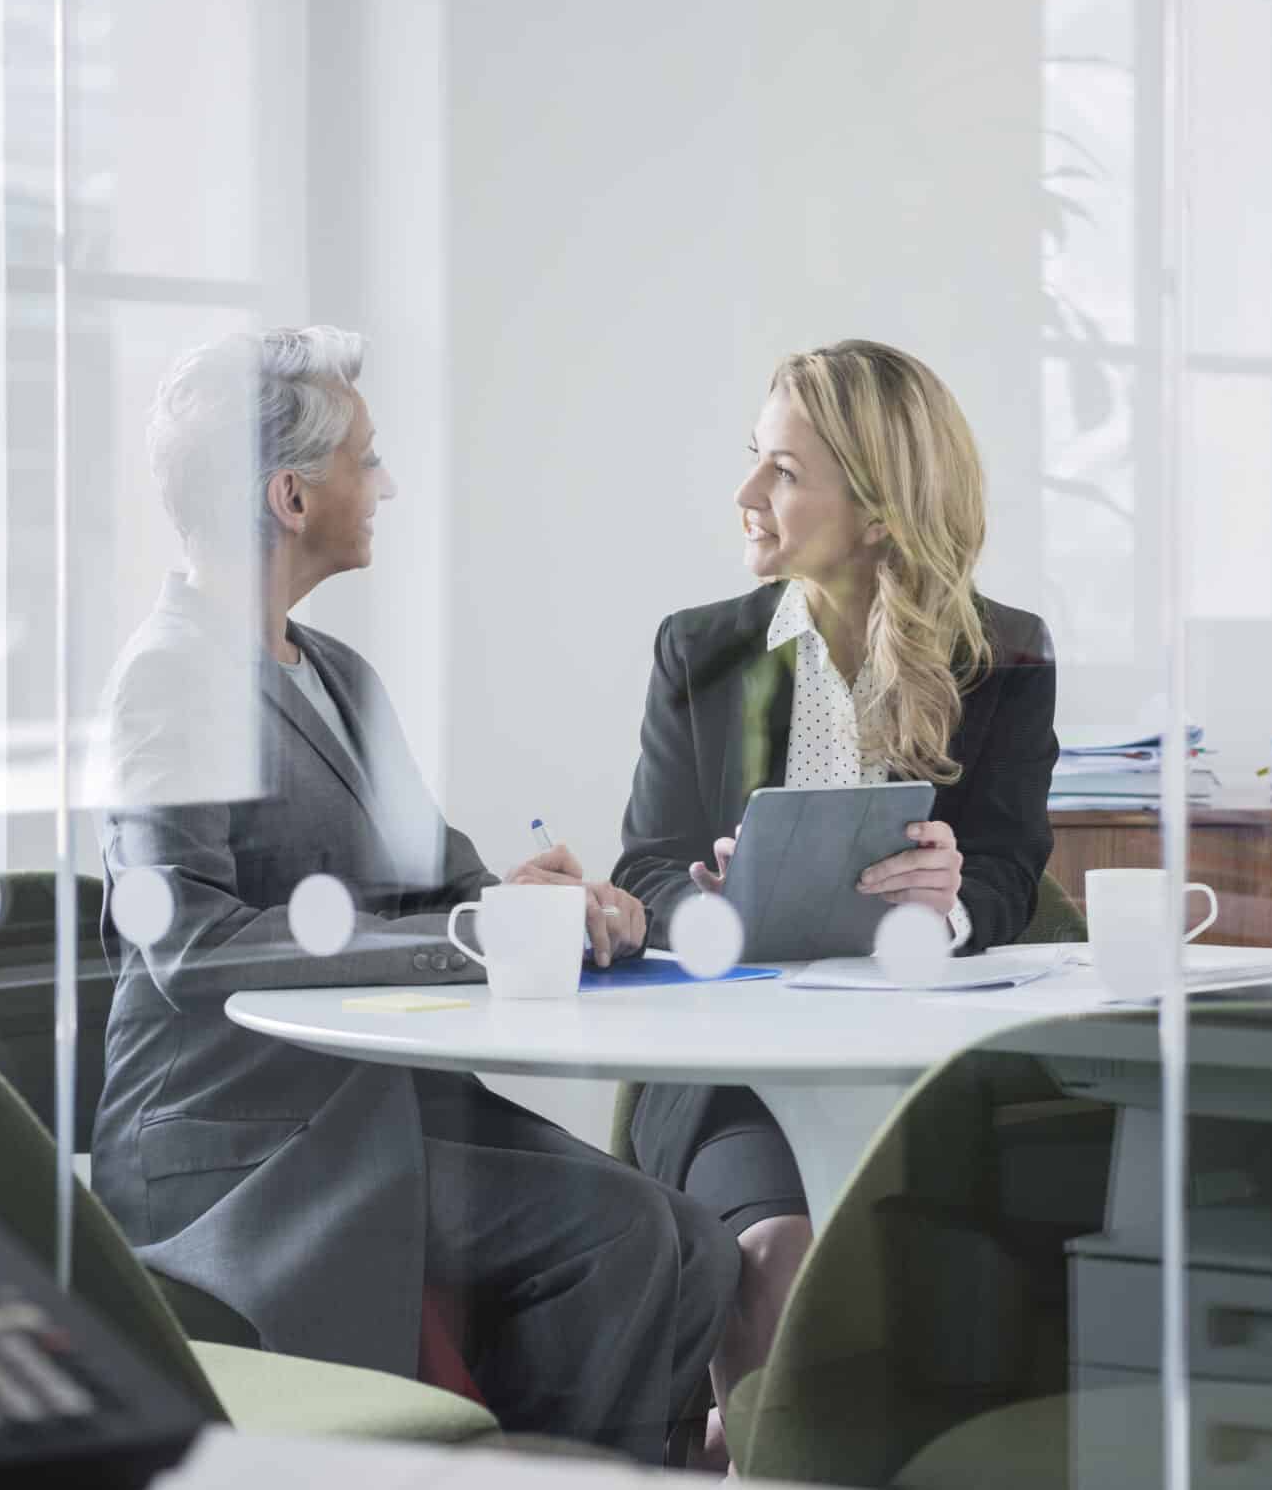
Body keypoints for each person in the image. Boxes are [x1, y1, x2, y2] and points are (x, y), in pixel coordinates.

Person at [91, 328, 736, 1464]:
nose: (382, 484)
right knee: (624, 1234)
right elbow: (185, 943)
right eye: (364, 460)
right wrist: (465, 934)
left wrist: (544, 906)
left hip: (370, 1108)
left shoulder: (339, 675)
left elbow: (443, 884)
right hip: (245, 1135)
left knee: (696, 1237)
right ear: (290, 496)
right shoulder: (169, 675)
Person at [613, 339, 1058, 1456]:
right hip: (732, 1059)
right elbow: (645, 867)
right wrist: (702, 900)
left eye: (782, 471)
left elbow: (1009, 869)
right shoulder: (701, 650)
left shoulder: (1002, 656)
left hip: (926, 1059)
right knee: (776, 1245)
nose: (746, 495)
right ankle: (765, 1456)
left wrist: (947, 904)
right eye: (754, 461)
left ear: (876, 508)